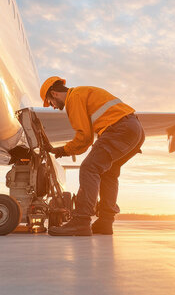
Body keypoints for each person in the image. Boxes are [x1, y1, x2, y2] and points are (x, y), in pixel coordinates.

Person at [40, 76, 145, 236]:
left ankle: (81, 221)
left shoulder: (73, 98)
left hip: (119, 129)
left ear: (54, 94)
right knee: (109, 173)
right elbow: (87, 140)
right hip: (135, 130)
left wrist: (61, 151)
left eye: (50, 102)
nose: (53, 107)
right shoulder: (83, 92)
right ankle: (105, 222)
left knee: (89, 168)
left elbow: (85, 138)